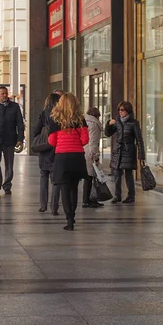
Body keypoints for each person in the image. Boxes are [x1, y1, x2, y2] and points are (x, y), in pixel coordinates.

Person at [47, 93, 89, 231]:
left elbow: (51, 141)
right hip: (77, 157)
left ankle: (69, 220)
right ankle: (73, 215)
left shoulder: (55, 120)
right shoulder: (80, 120)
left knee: (64, 190)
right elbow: (85, 140)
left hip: (62, 158)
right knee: (74, 188)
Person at [105, 101, 146, 204]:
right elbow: (108, 133)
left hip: (128, 150)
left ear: (127, 111)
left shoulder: (134, 123)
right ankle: (117, 196)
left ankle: (131, 195)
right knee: (117, 174)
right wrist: (108, 124)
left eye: (122, 110)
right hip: (118, 150)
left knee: (128, 174)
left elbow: (139, 140)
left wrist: (141, 155)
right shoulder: (117, 121)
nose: (120, 112)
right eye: (119, 110)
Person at [0, 86, 25, 195]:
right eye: (2, 94)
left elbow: (20, 124)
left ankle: (7, 185)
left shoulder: (15, 107)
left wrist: (20, 139)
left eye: (6, 93)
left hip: (9, 139)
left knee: (9, 164)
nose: (4, 95)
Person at [33, 93, 61, 213]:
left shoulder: (43, 114)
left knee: (43, 176)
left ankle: (43, 205)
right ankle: (54, 207)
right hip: (57, 149)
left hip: (44, 149)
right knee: (56, 180)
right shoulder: (61, 114)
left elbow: (35, 131)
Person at [83, 107, 104, 208]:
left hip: (83, 151)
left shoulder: (84, 121)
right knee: (90, 178)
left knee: (88, 177)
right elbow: (93, 143)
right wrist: (95, 157)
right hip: (89, 153)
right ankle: (88, 200)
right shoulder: (94, 124)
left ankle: (87, 199)